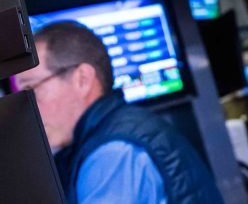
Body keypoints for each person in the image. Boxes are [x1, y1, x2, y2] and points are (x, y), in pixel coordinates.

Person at [14, 21, 224, 204]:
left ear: (83, 79)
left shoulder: (113, 154)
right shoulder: (123, 130)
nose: (27, 109)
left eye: (31, 90)